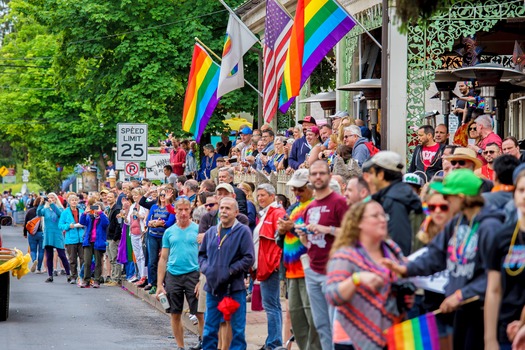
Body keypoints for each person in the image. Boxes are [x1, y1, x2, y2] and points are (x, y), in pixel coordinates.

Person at [383, 169, 505, 350]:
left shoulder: (490, 226)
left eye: (448, 197)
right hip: (459, 310)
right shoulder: (457, 222)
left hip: (481, 312)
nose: (445, 201)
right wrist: (405, 269)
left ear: (462, 197)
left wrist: (461, 294)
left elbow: (495, 276)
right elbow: (436, 254)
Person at [325, 200, 407, 350]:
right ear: (359, 223)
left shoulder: (392, 249)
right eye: (375, 216)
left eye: (384, 216)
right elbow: (332, 295)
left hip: (390, 336)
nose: (382, 220)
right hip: (352, 339)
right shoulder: (346, 254)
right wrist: (357, 279)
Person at [297, 160, 349, 350]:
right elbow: (309, 243)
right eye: (314, 174)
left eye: (322, 173)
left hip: (335, 270)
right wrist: (303, 236)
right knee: (320, 324)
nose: (318, 177)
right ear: (310, 178)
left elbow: (352, 234)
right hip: (313, 269)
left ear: (328, 175)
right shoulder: (310, 207)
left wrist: (327, 229)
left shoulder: (339, 202)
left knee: (336, 323)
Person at [198, 197, 255, 350]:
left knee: (237, 331)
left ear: (236, 212)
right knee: (210, 329)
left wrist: (230, 271)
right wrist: (207, 269)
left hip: (234, 289)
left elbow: (248, 258)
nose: (223, 211)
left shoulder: (243, 231)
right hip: (213, 289)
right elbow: (202, 255)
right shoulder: (211, 232)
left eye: (228, 208)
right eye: (222, 208)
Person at [276, 169, 321, 350]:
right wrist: (280, 231)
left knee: (312, 318)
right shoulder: (294, 207)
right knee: (296, 317)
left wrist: (292, 227)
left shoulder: (316, 205)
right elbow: (280, 236)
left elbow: (316, 234)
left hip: (308, 270)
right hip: (291, 270)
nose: (296, 193)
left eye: (300, 189)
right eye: (294, 189)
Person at [483, 168, 525, 350]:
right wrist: (490, 339)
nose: (524, 196)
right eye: (521, 190)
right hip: (505, 329)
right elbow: (493, 290)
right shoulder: (502, 237)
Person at [156, 198, 204, 350]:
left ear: (190, 210)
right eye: (180, 210)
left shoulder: (198, 229)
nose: (183, 213)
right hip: (173, 275)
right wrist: (159, 284)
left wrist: (201, 279)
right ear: (175, 211)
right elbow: (163, 258)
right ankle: (180, 346)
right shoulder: (169, 232)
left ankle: (204, 342)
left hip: (193, 274)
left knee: (199, 312)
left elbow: (205, 256)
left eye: (186, 209)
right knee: (175, 314)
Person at [362, 151, 422, 256]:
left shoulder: (394, 200)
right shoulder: (397, 193)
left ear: (380, 175)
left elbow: (399, 242)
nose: (369, 178)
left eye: (371, 173)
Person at [253, 183, 286, 349]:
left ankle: (273, 343)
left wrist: (273, 264)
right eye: (258, 195)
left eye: (263, 195)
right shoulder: (268, 213)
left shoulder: (276, 213)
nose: (260, 198)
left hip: (269, 266)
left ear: (272, 196)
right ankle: (274, 341)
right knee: (273, 305)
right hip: (266, 265)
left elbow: (280, 242)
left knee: (271, 305)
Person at [144, 188, 176, 294]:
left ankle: (166, 284)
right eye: (161, 195)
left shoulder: (171, 208)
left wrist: (159, 223)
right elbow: (148, 221)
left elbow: (169, 223)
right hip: (152, 235)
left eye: (164, 195)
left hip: (164, 237)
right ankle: (153, 284)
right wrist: (153, 223)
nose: (162, 197)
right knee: (152, 260)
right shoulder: (154, 207)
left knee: (164, 260)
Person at [37, 193, 71, 283]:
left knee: (62, 255)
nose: (50, 199)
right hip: (48, 234)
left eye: (52, 198)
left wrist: (52, 204)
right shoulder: (45, 209)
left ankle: (68, 274)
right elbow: (38, 213)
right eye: (49, 198)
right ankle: (50, 275)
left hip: (57, 234)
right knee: (49, 256)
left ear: (56, 199)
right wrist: (41, 203)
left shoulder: (60, 209)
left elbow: (59, 214)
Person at [79, 200, 109, 288]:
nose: (95, 210)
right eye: (94, 208)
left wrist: (100, 213)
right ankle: (86, 280)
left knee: (97, 263)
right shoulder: (90, 216)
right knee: (87, 262)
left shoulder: (103, 217)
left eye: (97, 208)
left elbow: (106, 223)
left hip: (98, 243)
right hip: (88, 242)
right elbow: (82, 222)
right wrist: (85, 213)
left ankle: (96, 280)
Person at [59, 195, 85, 284]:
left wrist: (83, 225)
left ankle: (82, 276)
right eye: (72, 200)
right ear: (69, 202)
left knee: (83, 259)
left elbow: (87, 222)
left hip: (81, 238)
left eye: (75, 200)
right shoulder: (65, 213)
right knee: (72, 259)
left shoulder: (81, 211)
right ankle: (73, 276)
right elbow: (60, 225)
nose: (74, 202)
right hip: (70, 239)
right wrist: (68, 226)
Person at [126, 188, 148, 286]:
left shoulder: (144, 206)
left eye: (136, 195)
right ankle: (139, 275)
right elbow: (128, 219)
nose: (134, 197)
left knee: (143, 255)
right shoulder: (132, 206)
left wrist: (139, 215)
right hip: (133, 232)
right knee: (137, 255)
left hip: (141, 232)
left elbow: (145, 217)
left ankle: (144, 276)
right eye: (133, 195)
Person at [23, 196, 45, 274]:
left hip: (31, 233)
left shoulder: (30, 211)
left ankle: (34, 260)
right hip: (42, 233)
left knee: (33, 250)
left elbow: (26, 223)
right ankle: (39, 268)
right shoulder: (43, 211)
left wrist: (25, 233)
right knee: (41, 251)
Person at [106, 192, 122, 286]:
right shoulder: (110, 209)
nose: (108, 198)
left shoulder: (117, 209)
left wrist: (115, 238)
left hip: (113, 238)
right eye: (108, 197)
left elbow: (118, 225)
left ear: (115, 198)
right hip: (108, 237)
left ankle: (116, 278)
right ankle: (113, 277)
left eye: (111, 197)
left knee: (115, 258)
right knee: (111, 258)